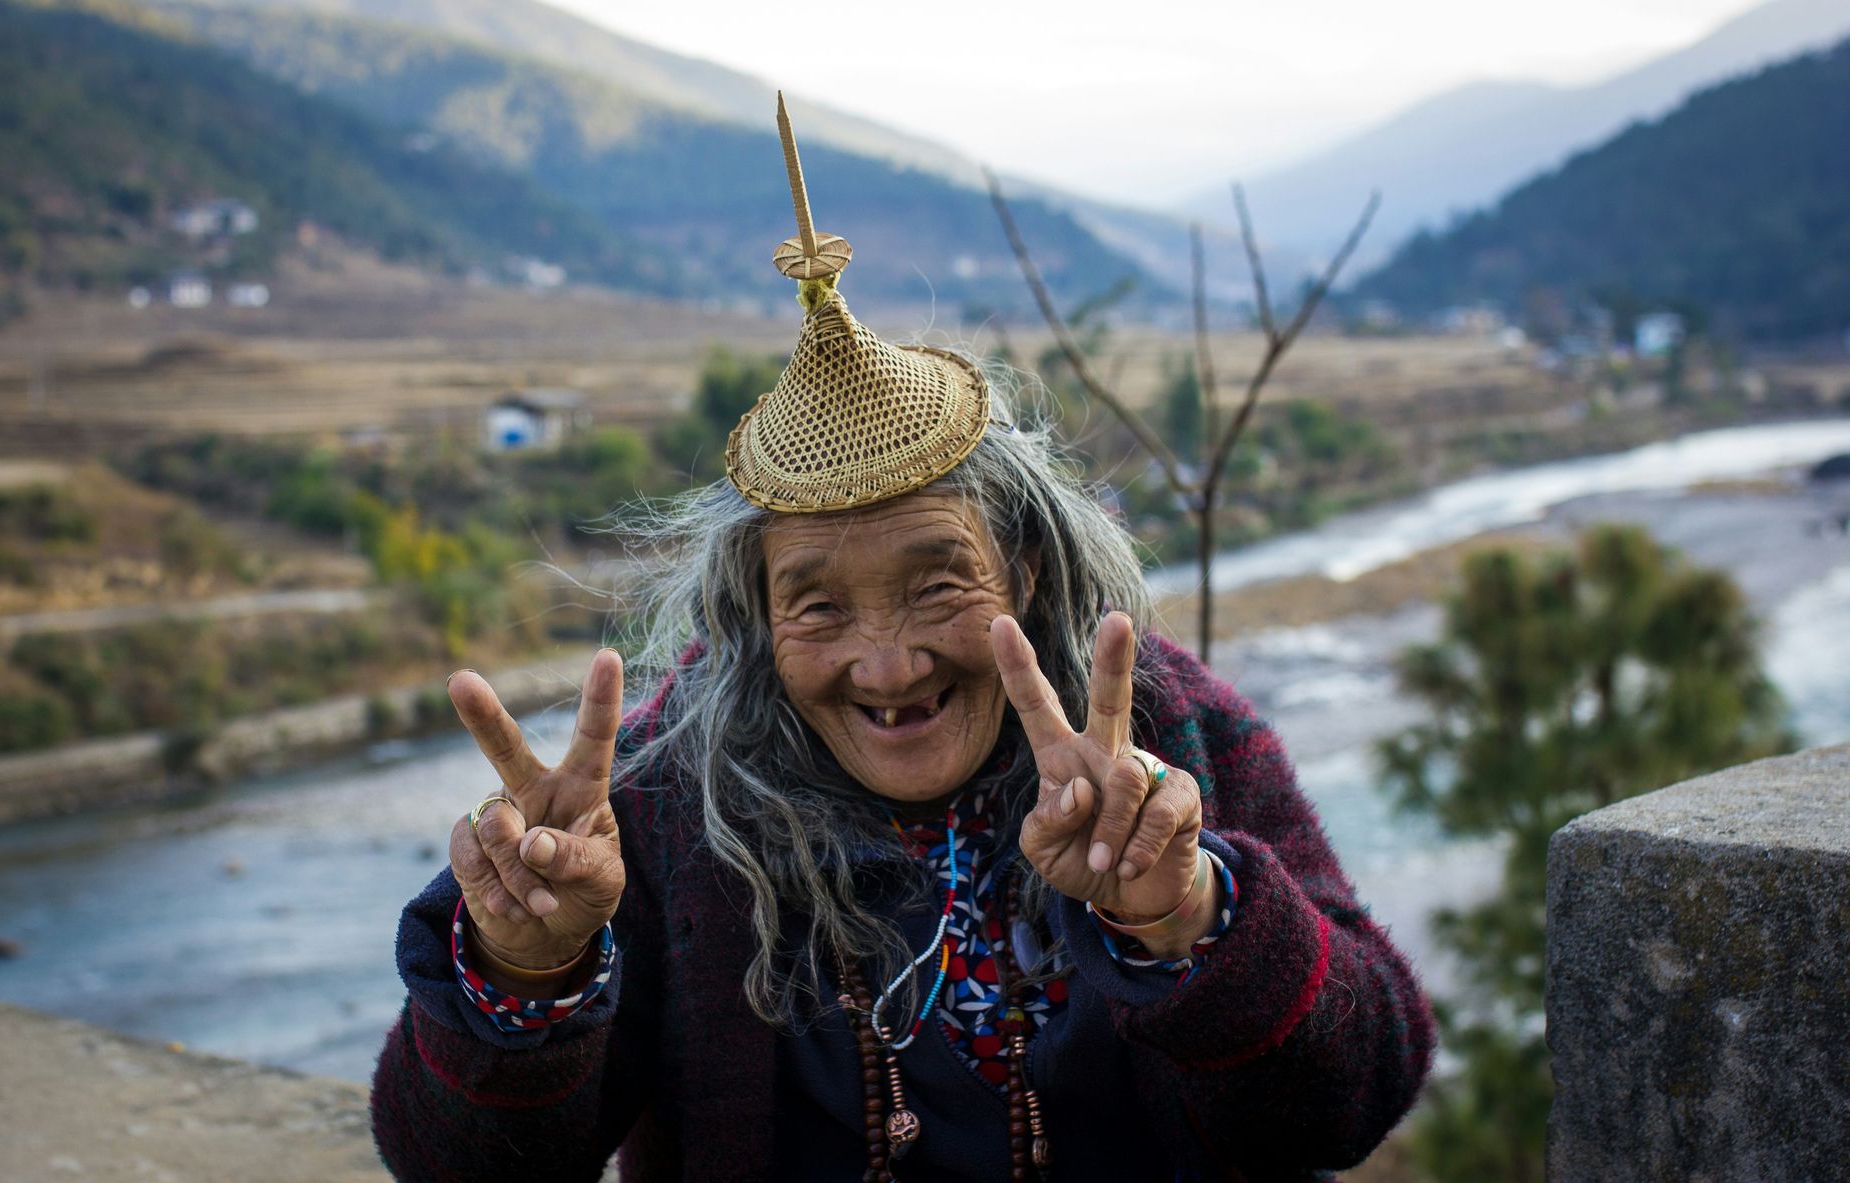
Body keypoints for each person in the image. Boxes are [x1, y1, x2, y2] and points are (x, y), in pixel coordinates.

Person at [370, 97, 1433, 1183]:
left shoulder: (1166, 731)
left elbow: (1358, 1090)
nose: (887, 665)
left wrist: (1184, 911)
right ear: (756, 619)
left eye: (937, 585)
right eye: (818, 606)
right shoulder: (660, 797)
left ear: (1024, 566)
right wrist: (525, 968)